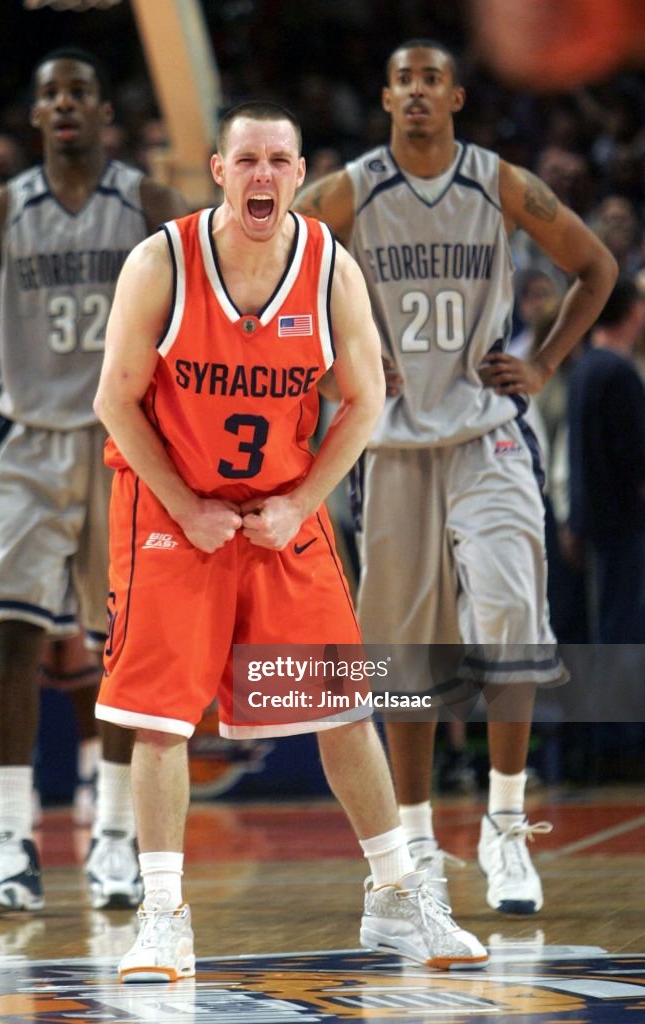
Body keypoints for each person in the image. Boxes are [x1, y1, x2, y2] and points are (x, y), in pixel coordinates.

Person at [93, 100, 489, 982]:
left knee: (344, 707)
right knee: (160, 718)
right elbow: (116, 399)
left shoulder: (327, 267)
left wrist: (304, 499)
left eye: (279, 159)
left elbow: (365, 401)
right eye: (248, 160)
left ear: (298, 173)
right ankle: (163, 917)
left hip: (282, 510)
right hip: (169, 507)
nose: (263, 174)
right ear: (219, 169)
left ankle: (396, 895)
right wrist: (186, 506)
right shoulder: (160, 261)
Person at [295, 39, 617, 915]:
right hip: (393, 447)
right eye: (401, 79)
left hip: (488, 435)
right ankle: (420, 843)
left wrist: (545, 362)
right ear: (387, 98)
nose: (416, 93)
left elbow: (597, 267)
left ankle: (506, 830)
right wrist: (333, 368)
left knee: (511, 613)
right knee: (406, 655)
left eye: (431, 79)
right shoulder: (347, 192)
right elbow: (270, 275)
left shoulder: (500, 182)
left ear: (458, 97)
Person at [0, 47, 188, 915]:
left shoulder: (147, 204)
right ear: (35, 116)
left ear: (103, 111)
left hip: (124, 448)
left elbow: (198, 330)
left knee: (123, 651)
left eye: (79, 91)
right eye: (50, 94)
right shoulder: (2, 212)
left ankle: (113, 841)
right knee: (12, 638)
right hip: (26, 446)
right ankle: (8, 844)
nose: (65, 104)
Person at [564, 276, 645, 643]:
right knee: (623, 626)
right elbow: (636, 457)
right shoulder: (618, 372)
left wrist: (576, 519)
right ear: (634, 310)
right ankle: (617, 702)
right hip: (624, 520)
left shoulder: (584, 366)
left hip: (594, 518)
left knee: (609, 622)